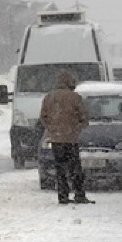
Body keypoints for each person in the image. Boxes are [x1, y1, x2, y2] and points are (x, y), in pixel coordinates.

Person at [39, 70, 94, 205]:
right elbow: (84, 117)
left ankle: (62, 196)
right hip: (71, 139)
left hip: (56, 139)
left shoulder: (49, 97)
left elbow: (43, 117)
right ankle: (79, 194)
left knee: (60, 169)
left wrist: (52, 129)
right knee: (75, 168)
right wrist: (77, 128)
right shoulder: (75, 97)